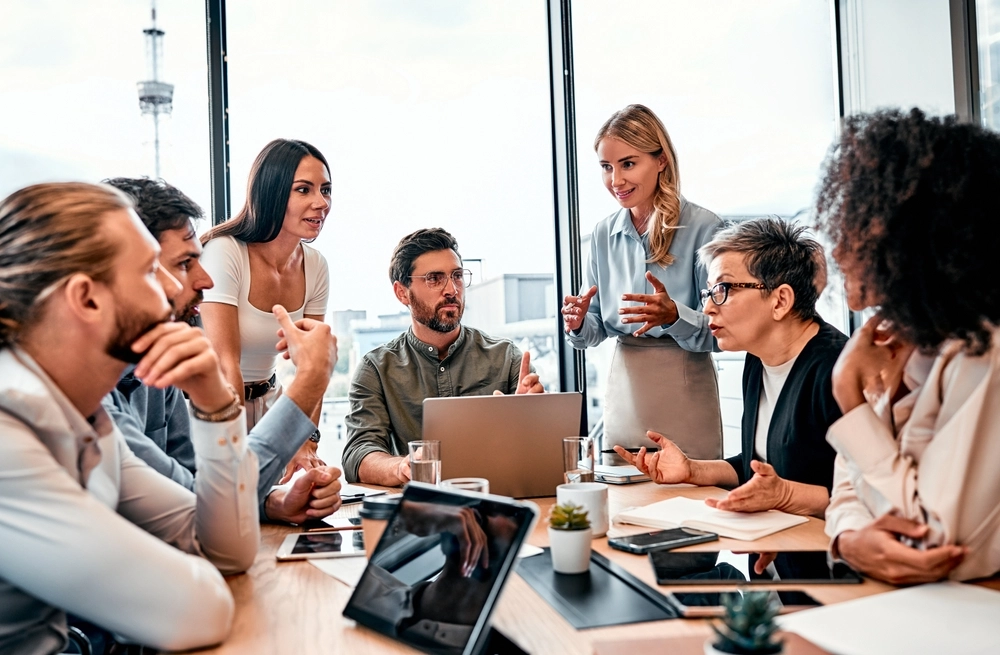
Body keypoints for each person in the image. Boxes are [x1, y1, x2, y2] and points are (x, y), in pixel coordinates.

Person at [0, 183, 258, 654]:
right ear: (87, 298)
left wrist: (215, 405)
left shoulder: (87, 417)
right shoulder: (8, 435)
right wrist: (183, 570)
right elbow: (196, 611)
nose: (172, 289)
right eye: (148, 271)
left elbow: (229, 550)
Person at [817, 108, 1000, 584]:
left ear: (912, 233)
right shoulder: (895, 337)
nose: (837, 250)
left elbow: (937, 541)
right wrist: (850, 539)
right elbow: (847, 493)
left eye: (857, 224)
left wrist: (849, 397)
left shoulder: (983, 349)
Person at [101, 177, 342, 524]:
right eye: (184, 264)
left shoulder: (159, 371)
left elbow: (201, 486)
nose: (205, 280)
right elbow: (206, 511)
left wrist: (273, 503)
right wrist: (310, 382)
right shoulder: (92, 406)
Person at [616, 218, 845, 519]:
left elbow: (872, 500)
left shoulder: (839, 370)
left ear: (781, 301)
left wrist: (786, 495)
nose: (708, 307)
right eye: (708, 293)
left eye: (723, 289)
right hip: (768, 555)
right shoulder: (757, 359)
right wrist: (692, 469)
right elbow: (756, 468)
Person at [562, 104, 724, 459]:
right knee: (623, 504)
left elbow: (720, 332)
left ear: (661, 160)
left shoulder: (705, 228)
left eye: (628, 164)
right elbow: (597, 329)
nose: (616, 181)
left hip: (686, 392)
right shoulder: (603, 234)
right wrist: (578, 324)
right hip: (625, 393)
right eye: (607, 167)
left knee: (692, 505)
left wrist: (674, 316)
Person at [343, 228, 544, 486]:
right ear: (402, 292)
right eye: (434, 278)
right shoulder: (376, 368)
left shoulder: (507, 358)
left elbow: (540, 452)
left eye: (457, 276)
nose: (452, 289)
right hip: (420, 512)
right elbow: (358, 454)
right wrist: (402, 467)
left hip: (496, 503)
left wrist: (533, 419)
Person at [200, 138, 332, 451]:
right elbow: (225, 363)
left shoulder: (315, 266)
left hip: (273, 407)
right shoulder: (225, 252)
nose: (321, 202)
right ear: (272, 192)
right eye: (304, 189)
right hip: (218, 408)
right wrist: (233, 448)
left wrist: (306, 442)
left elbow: (312, 364)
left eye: (325, 189)